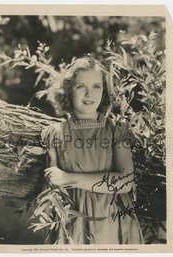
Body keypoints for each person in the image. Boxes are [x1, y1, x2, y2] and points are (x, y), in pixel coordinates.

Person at [41, 55, 144, 244]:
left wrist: (69, 178)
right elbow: (53, 188)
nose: (90, 94)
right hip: (74, 224)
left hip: (113, 221)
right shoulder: (55, 134)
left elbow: (125, 182)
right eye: (81, 86)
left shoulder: (116, 130)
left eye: (97, 86)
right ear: (67, 90)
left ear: (104, 91)